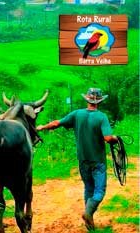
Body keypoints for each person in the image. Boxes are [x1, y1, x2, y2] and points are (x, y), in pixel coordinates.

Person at [36, 88, 118, 231]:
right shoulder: (101, 117)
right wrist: (115, 139)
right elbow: (107, 138)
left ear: (87, 99)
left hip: (83, 160)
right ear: (99, 101)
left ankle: (89, 221)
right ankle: (88, 212)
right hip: (97, 161)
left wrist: (42, 127)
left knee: (88, 188)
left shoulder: (77, 114)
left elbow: (56, 123)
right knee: (99, 191)